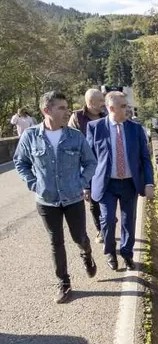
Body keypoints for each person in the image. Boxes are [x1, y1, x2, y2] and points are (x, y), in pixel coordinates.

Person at [13, 91, 98, 303]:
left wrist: (80, 182)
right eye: (61, 108)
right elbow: (20, 162)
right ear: (46, 111)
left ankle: (86, 254)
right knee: (55, 242)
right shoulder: (30, 136)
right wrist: (33, 183)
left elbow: (91, 163)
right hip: (46, 200)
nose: (66, 112)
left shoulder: (75, 137)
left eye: (67, 107)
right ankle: (64, 283)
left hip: (73, 198)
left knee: (79, 237)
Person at [87, 91, 154, 271]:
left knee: (128, 221)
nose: (127, 109)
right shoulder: (95, 127)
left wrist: (149, 182)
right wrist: (86, 186)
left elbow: (145, 158)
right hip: (106, 184)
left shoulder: (135, 128)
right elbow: (88, 160)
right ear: (111, 108)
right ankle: (110, 252)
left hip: (130, 183)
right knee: (108, 220)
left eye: (127, 105)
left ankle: (127, 254)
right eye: (123, 106)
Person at [69, 89, 107, 243]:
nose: (103, 104)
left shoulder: (106, 115)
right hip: (86, 165)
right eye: (100, 101)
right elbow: (71, 141)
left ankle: (107, 225)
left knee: (107, 198)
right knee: (93, 200)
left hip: (104, 164)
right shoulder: (77, 117)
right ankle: (100, 230)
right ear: (90, 103)